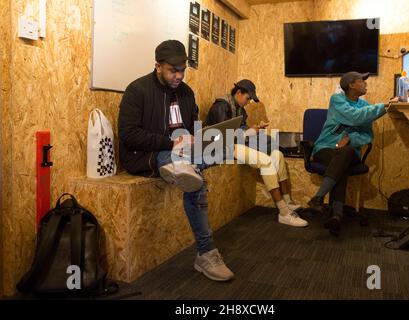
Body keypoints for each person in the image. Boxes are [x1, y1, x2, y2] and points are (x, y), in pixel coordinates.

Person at [118, 40, 234, 282]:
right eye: (173, 70)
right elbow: (129, 135)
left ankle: (186, 167)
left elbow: (192, 129)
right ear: (158, 66)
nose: (179, 75)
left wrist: (201, 140)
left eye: (183, 69)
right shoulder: (137, 90)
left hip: (181, 153)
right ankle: (206, 252)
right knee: (196, 183)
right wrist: (171, 143)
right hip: (147, 156)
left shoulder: (187, 93)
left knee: (220, 150)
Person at [206, 79, 308, 228]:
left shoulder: (240, 108)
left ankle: (287, 201)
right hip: (223, 147)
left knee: (277, 155)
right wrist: (248, 133)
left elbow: (242, 129)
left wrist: (254, 129)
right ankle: (284, 213)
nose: (248, 102)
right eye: (247, 98)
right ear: (239, 93)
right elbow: (221, 138)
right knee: (266, 161)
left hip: (237, 143)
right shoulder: (221, 106)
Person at [307, 71, 398, 236]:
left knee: (346, 152)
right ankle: (337, 216)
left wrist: (349, 138)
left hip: (350, 152)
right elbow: (354, 117)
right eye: (362, 81)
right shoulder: (337, 100)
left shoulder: (364, 105)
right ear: (351, 85)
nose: (366, 84)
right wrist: (383, 107)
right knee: (341, 166)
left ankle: (318, 197)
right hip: (326, 148)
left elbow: (367, 135)